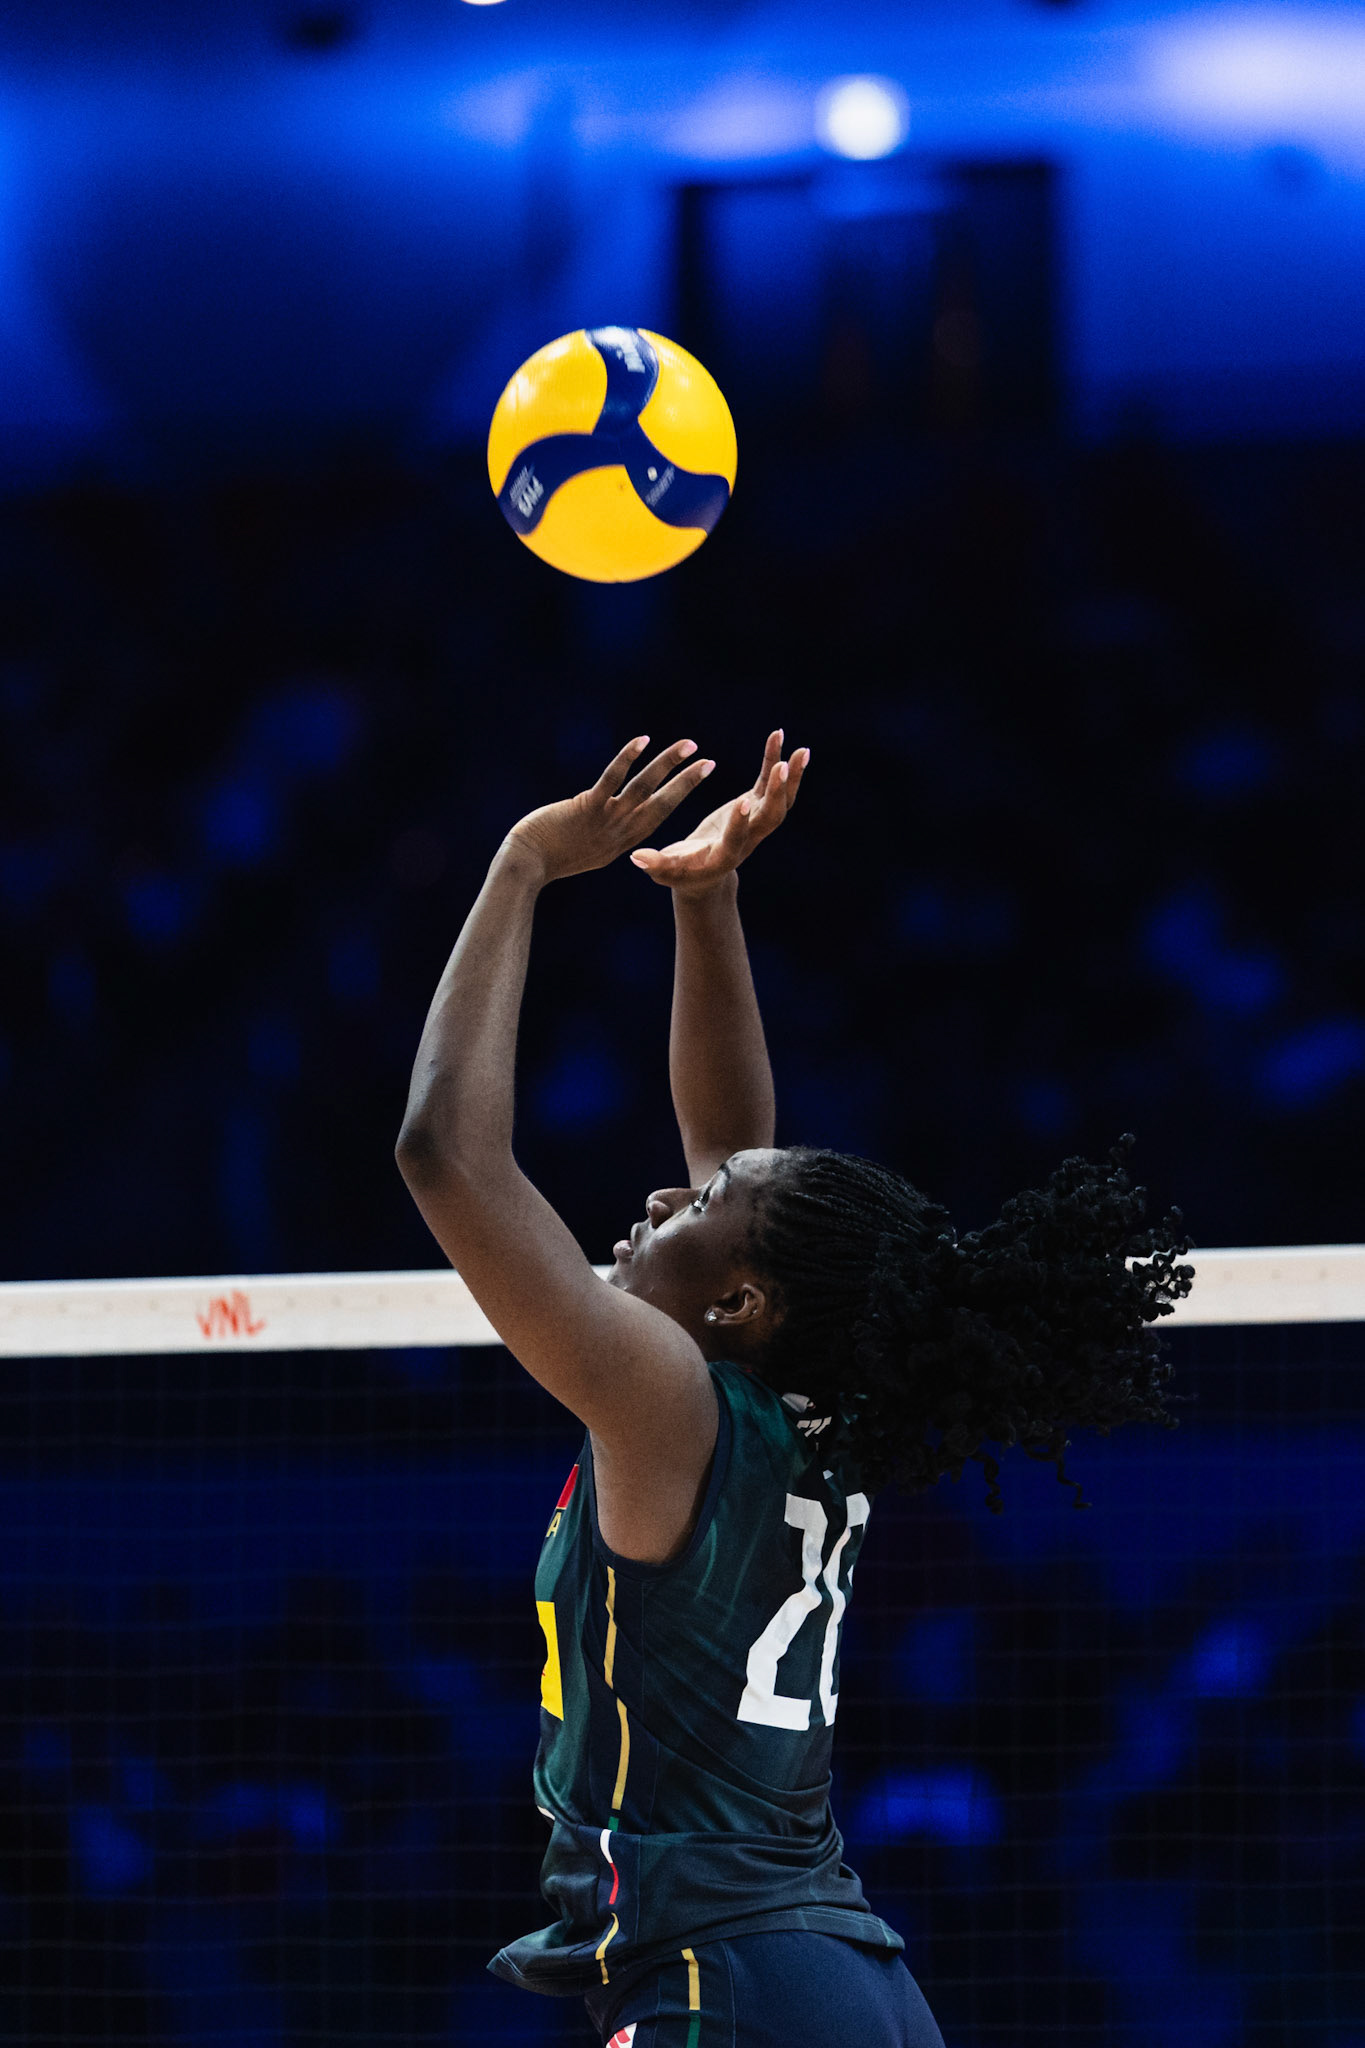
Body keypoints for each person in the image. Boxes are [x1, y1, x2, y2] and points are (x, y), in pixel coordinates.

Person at [395, 732, 1192, 2048]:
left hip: (732, 1980)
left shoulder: (671, 1400)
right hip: (832, 1974)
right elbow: (743, 1166)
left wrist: (523, 864)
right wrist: (705, 901)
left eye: (695, 1205)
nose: (666, 1192)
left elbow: (445, 1154)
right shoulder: (810, 1402)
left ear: (738, 1306)